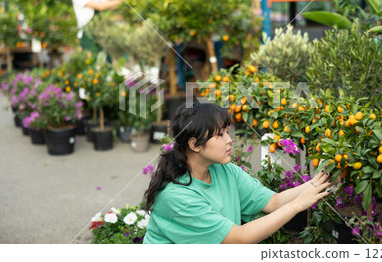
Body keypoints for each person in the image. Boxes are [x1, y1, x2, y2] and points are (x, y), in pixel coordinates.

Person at [142, 102, 334, 244]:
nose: (229, 140)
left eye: (227, 132)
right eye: (220, 135)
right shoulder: (177, 196)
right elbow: (239, 238)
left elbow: (274, 201)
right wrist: (297, 205)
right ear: (194, 144)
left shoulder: (224, 170)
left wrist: (320, 182)